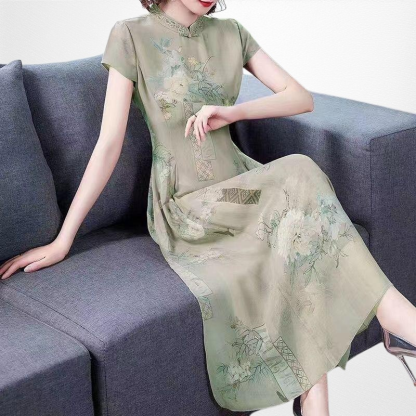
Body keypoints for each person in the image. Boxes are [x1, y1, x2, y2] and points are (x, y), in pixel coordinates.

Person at [1, 1, 415, 415]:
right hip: (187, 203)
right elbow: (108, 145)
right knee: (299, 178)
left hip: (242, 185)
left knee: (294, 225)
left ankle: (315, 399)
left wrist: (232, 112)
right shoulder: (130, 35)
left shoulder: (232, 33)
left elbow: (300, 98)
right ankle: (398, 321)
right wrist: (63, 239)